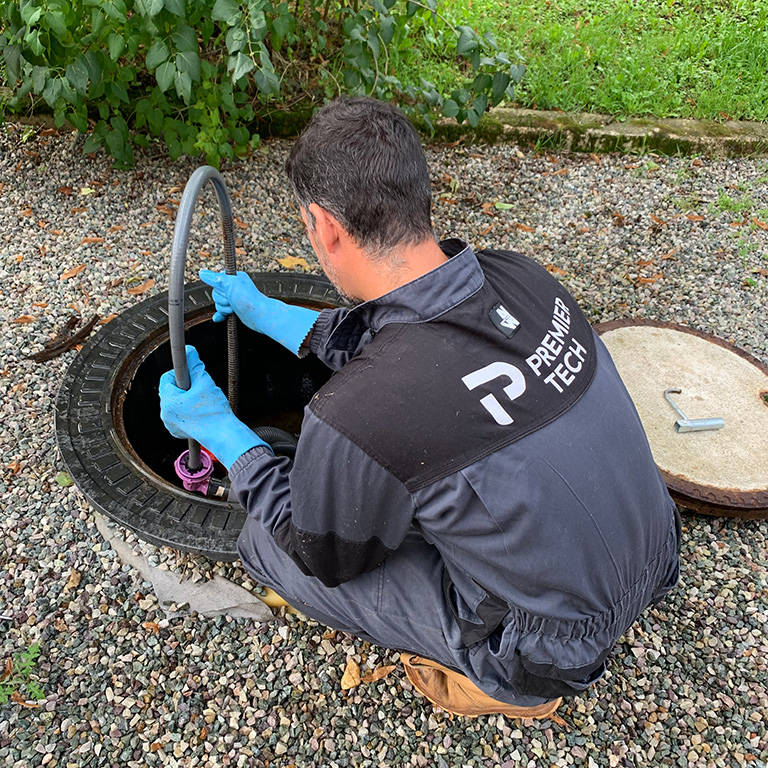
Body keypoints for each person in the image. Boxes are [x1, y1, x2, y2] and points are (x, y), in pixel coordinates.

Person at [159, 96, 681, 719]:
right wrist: (263, 311)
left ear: (324, 227)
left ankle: (501, 683)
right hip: (655, 552)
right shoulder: (521, 277)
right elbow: (412, 343)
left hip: (550, 648)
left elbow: (319, 552)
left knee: (267, 541)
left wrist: (223, 434)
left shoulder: (361, 412)